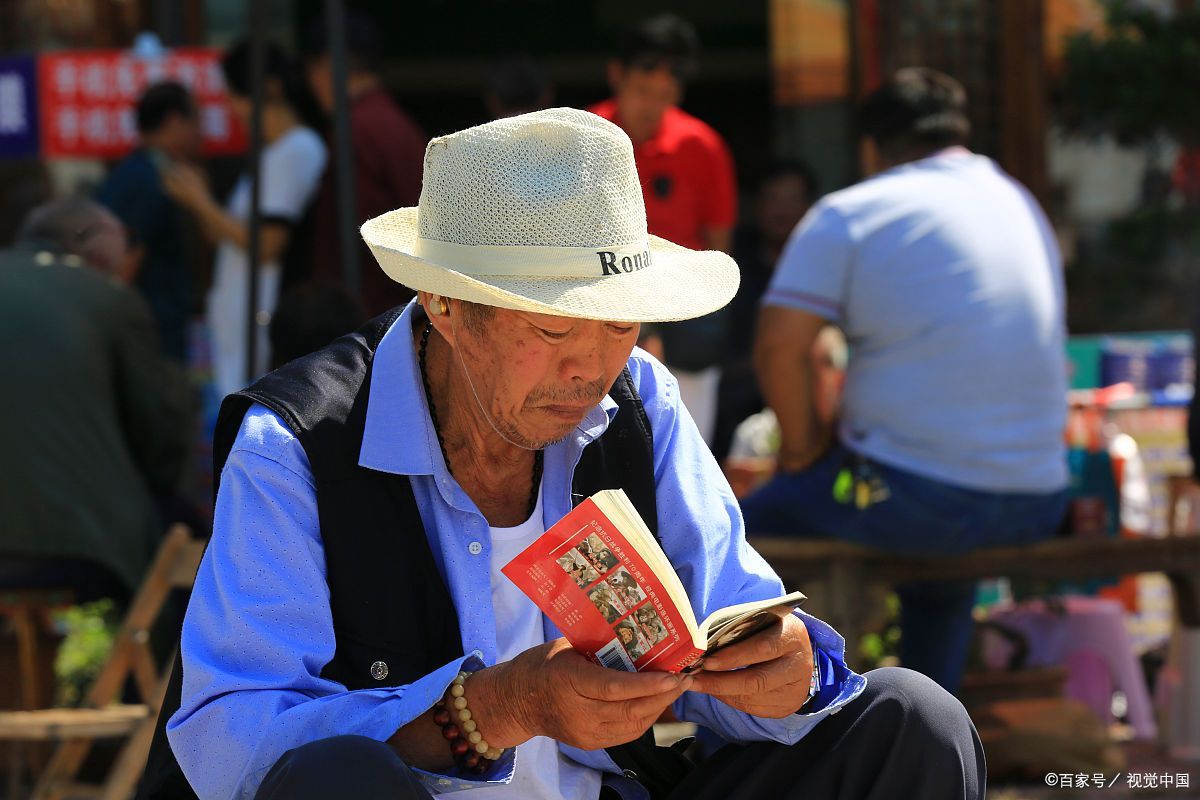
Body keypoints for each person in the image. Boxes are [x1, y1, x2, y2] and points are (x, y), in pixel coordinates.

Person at [144, 108, 984, 800]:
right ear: (443, 303)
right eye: (551, 329)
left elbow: (736, 612)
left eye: (620, 325)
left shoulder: (639, 399)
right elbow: (231, 745)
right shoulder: (299, 442)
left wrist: (786, 674)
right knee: (335, 783)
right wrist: (488, 711)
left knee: (912, 720)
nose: (590, 367)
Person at [741, 68, 1070, 694]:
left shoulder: (855, 212)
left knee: (724, 536)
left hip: (917, 498)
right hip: (1038, 500)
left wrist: (804, 453)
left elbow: (779, 346)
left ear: (871, 148)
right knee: (935, 570)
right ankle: (930, 744)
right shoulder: (1017, 200)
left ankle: (745, 749)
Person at [0, 198, 191, 603]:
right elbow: (159, 438)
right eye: (126, 240)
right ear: (93, 241)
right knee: (190, 535)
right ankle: (156, 666)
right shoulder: (108, 299)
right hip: (78, 542)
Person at [589, 14, 737, 445]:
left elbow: (718, 247)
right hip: (604, 302)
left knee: (689, 441)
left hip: (685, 311)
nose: (653, 105)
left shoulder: (702, 145)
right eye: (642, 90)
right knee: (603, 441)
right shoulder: (587, 135)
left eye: (666, 93)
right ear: (617, 74)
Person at [164, 40, 327, 398]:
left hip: (261, 327)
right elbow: (230, 235)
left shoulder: (298, 148)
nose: (232, 108)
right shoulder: (273, 154)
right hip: (242, 327)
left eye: (235, 96)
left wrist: (201, 201)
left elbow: (267, 244)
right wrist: (199, 199)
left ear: (268, 88)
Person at [303, 13, 428, 316]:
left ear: (329, 65)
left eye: (311, 69)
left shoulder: (356, 128)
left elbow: (361, 236)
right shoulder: (392, 121)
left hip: (373, 318)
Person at [714, 160, 819, 461]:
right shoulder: (734, 257)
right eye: (773, 199)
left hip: (805, 377)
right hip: (737, 383)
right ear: (756, 206)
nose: (781, 210)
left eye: (792, 200)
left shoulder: (823, 260)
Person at [96, 81, 202, 363]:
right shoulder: (148, 179)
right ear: (174, 121)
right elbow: (126, 262)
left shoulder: (134, 172)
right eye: (195, 121)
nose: (199, 132)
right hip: (152, 335)